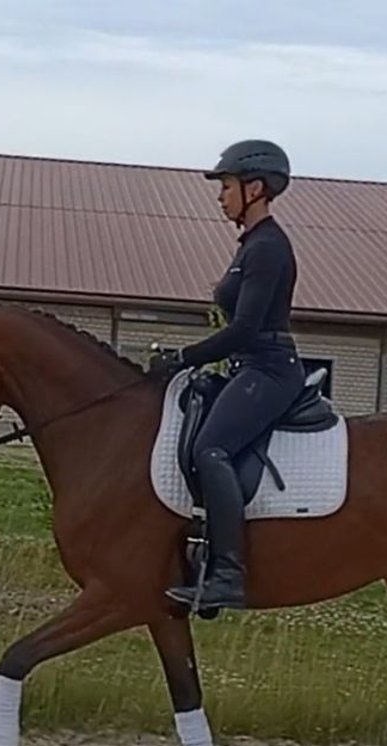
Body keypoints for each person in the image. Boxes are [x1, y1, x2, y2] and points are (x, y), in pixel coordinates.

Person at [152, 139, 305, 612]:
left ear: (254, 188)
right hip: (250, 367)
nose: (220, 196)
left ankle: (227, 576)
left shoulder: (268, 248)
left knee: (210, 448)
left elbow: (244, 329)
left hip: (270, 369)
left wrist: (183, 356)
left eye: (226, 186)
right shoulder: (251, 246)